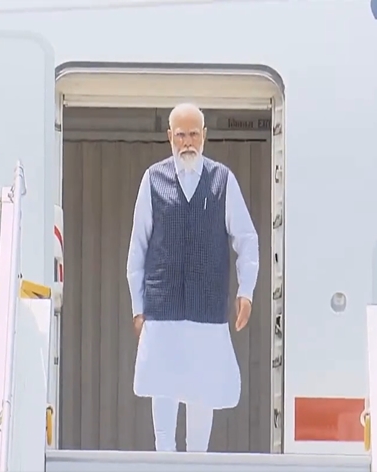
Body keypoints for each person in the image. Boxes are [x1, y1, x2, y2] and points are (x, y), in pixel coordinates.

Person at [126, 103, 259, 452]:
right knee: (163, 388)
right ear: (169, 136)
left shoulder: (222, 179)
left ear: (205, 136)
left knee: (202, 391)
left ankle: (198, 463)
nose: (187, 142)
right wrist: (137, 307)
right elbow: (138, 247)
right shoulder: (153, 179)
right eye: (181, 134)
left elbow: (247, 238)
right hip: (162, 307)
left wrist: (247, 291)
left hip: (207, 309)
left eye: (194, 134)